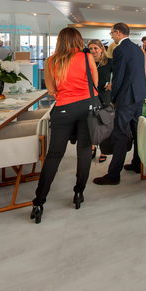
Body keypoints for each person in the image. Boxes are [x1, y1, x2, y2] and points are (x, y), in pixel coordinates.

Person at [30, 27, 98, 224]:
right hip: (87, 107)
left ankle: (39, 202)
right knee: (84, 151)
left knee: (54, 155)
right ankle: (78, 193)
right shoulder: (86, 57)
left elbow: (51, 90)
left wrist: (65, 94)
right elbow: (94, 83)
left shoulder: (51, 61)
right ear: (78, 40)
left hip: (63, 109)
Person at [93, 23, 146, 184]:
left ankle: (113, 175)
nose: (111, 36)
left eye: (112, 33)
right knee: (137, 131)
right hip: (139, 95)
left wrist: (113, 98)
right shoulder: (137, 49)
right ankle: (137, 164)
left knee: (120, 134)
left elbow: (118, 77)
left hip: (126, 97)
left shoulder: (120, 50)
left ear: (118, 32)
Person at [88, 39, 113, 163]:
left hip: (104, 96)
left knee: (104, 124)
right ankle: (92, 147)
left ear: (101, 49)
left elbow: (120, 74)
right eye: (91, 48)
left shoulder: (109, 62)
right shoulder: (86, 62)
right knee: (91, 124)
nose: (93, 51)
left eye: (95, 48)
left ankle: (104, 151)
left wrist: (112, 84)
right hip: (89, 96)